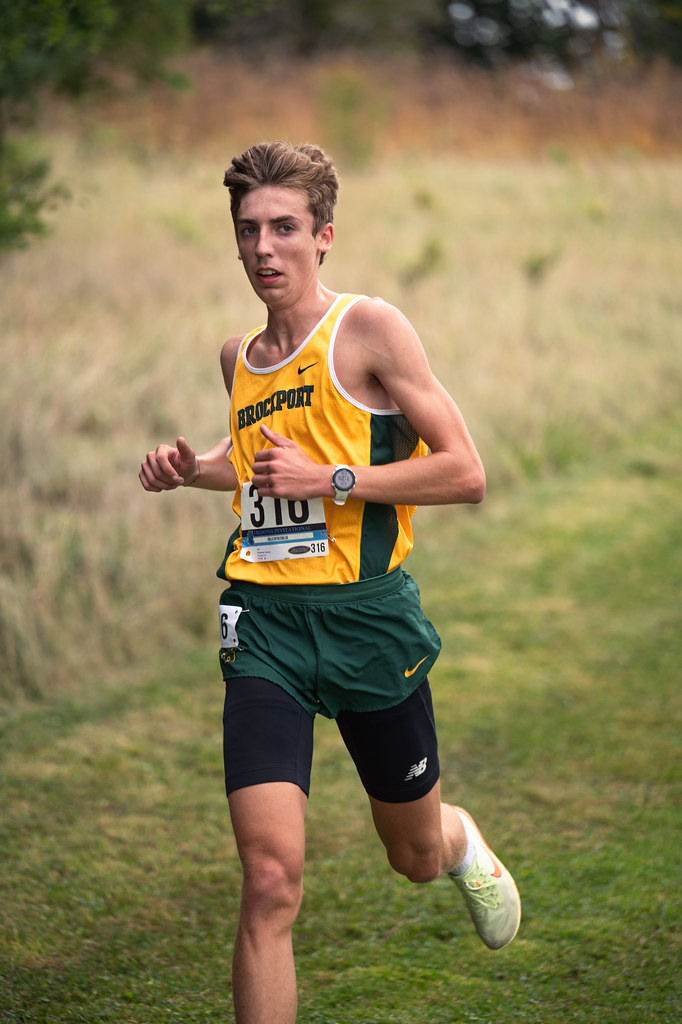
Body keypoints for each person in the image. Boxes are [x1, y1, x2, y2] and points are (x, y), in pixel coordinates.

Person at [139, 141, 521, 1024]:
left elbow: (465, 473)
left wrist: (333, 480)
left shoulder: (370, 330)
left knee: (413, 855)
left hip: (368, 622)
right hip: (264, 624)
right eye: (248, 230)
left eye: (284, 228)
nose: (264, 248)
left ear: (324, 236)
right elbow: (251, 468)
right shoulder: (239, 357)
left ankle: (459, 839)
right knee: (270, 878)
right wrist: (186, 465)